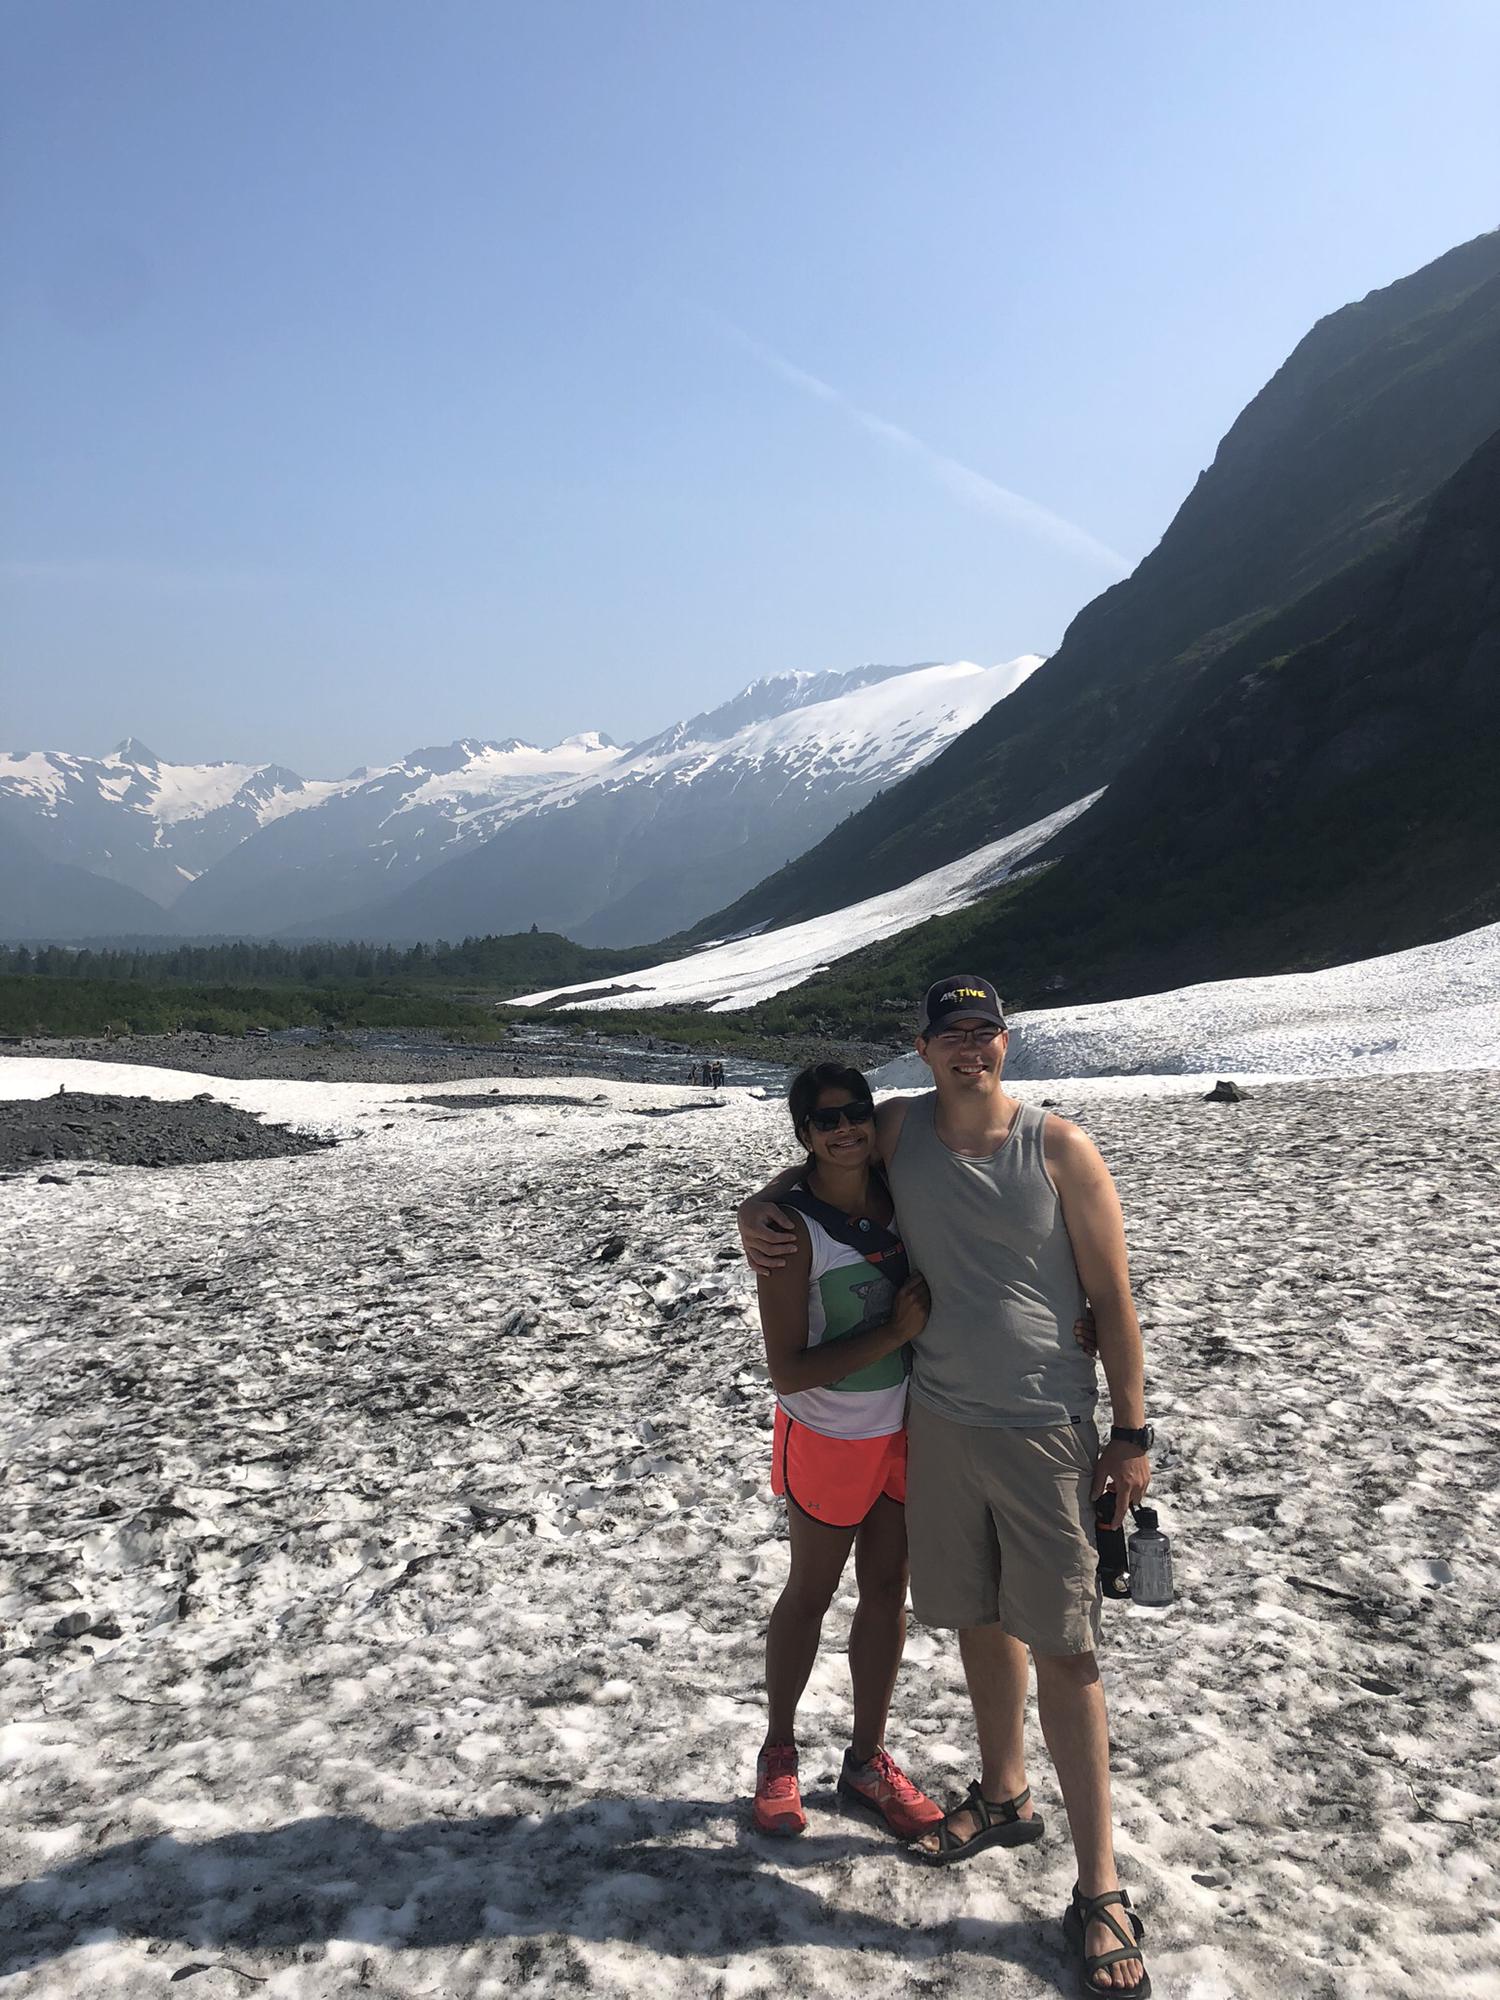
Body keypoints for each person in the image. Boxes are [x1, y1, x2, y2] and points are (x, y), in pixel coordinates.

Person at [741, 977, 1152, 1997]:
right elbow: (817, 1155)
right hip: (936, 1421)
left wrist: (1132, 1427)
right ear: (920, 1048)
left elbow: (1113, 1291)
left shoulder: (1059, 1146)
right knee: (975, 1616)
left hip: (1044, 1428)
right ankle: (1007, 1794)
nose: (973, 1047)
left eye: (987, 1031)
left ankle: (1100, 1885)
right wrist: (757, 1208)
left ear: (1005, 1043)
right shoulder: (896, 1128)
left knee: (1064, 1643)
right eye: (952, 1033)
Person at [750, 1061, 944, 1844]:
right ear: (803, 1135)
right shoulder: (787, 1228)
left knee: (887, 1589)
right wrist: (893, 1334)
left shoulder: (899, 1195)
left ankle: (867, 1759)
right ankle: (778, 1752)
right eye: (824, 1121)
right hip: (829, 1433)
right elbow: (786, 1368)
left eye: (854, 1113)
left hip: (906, 1428)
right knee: (811, 1591)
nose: (845, 1129)